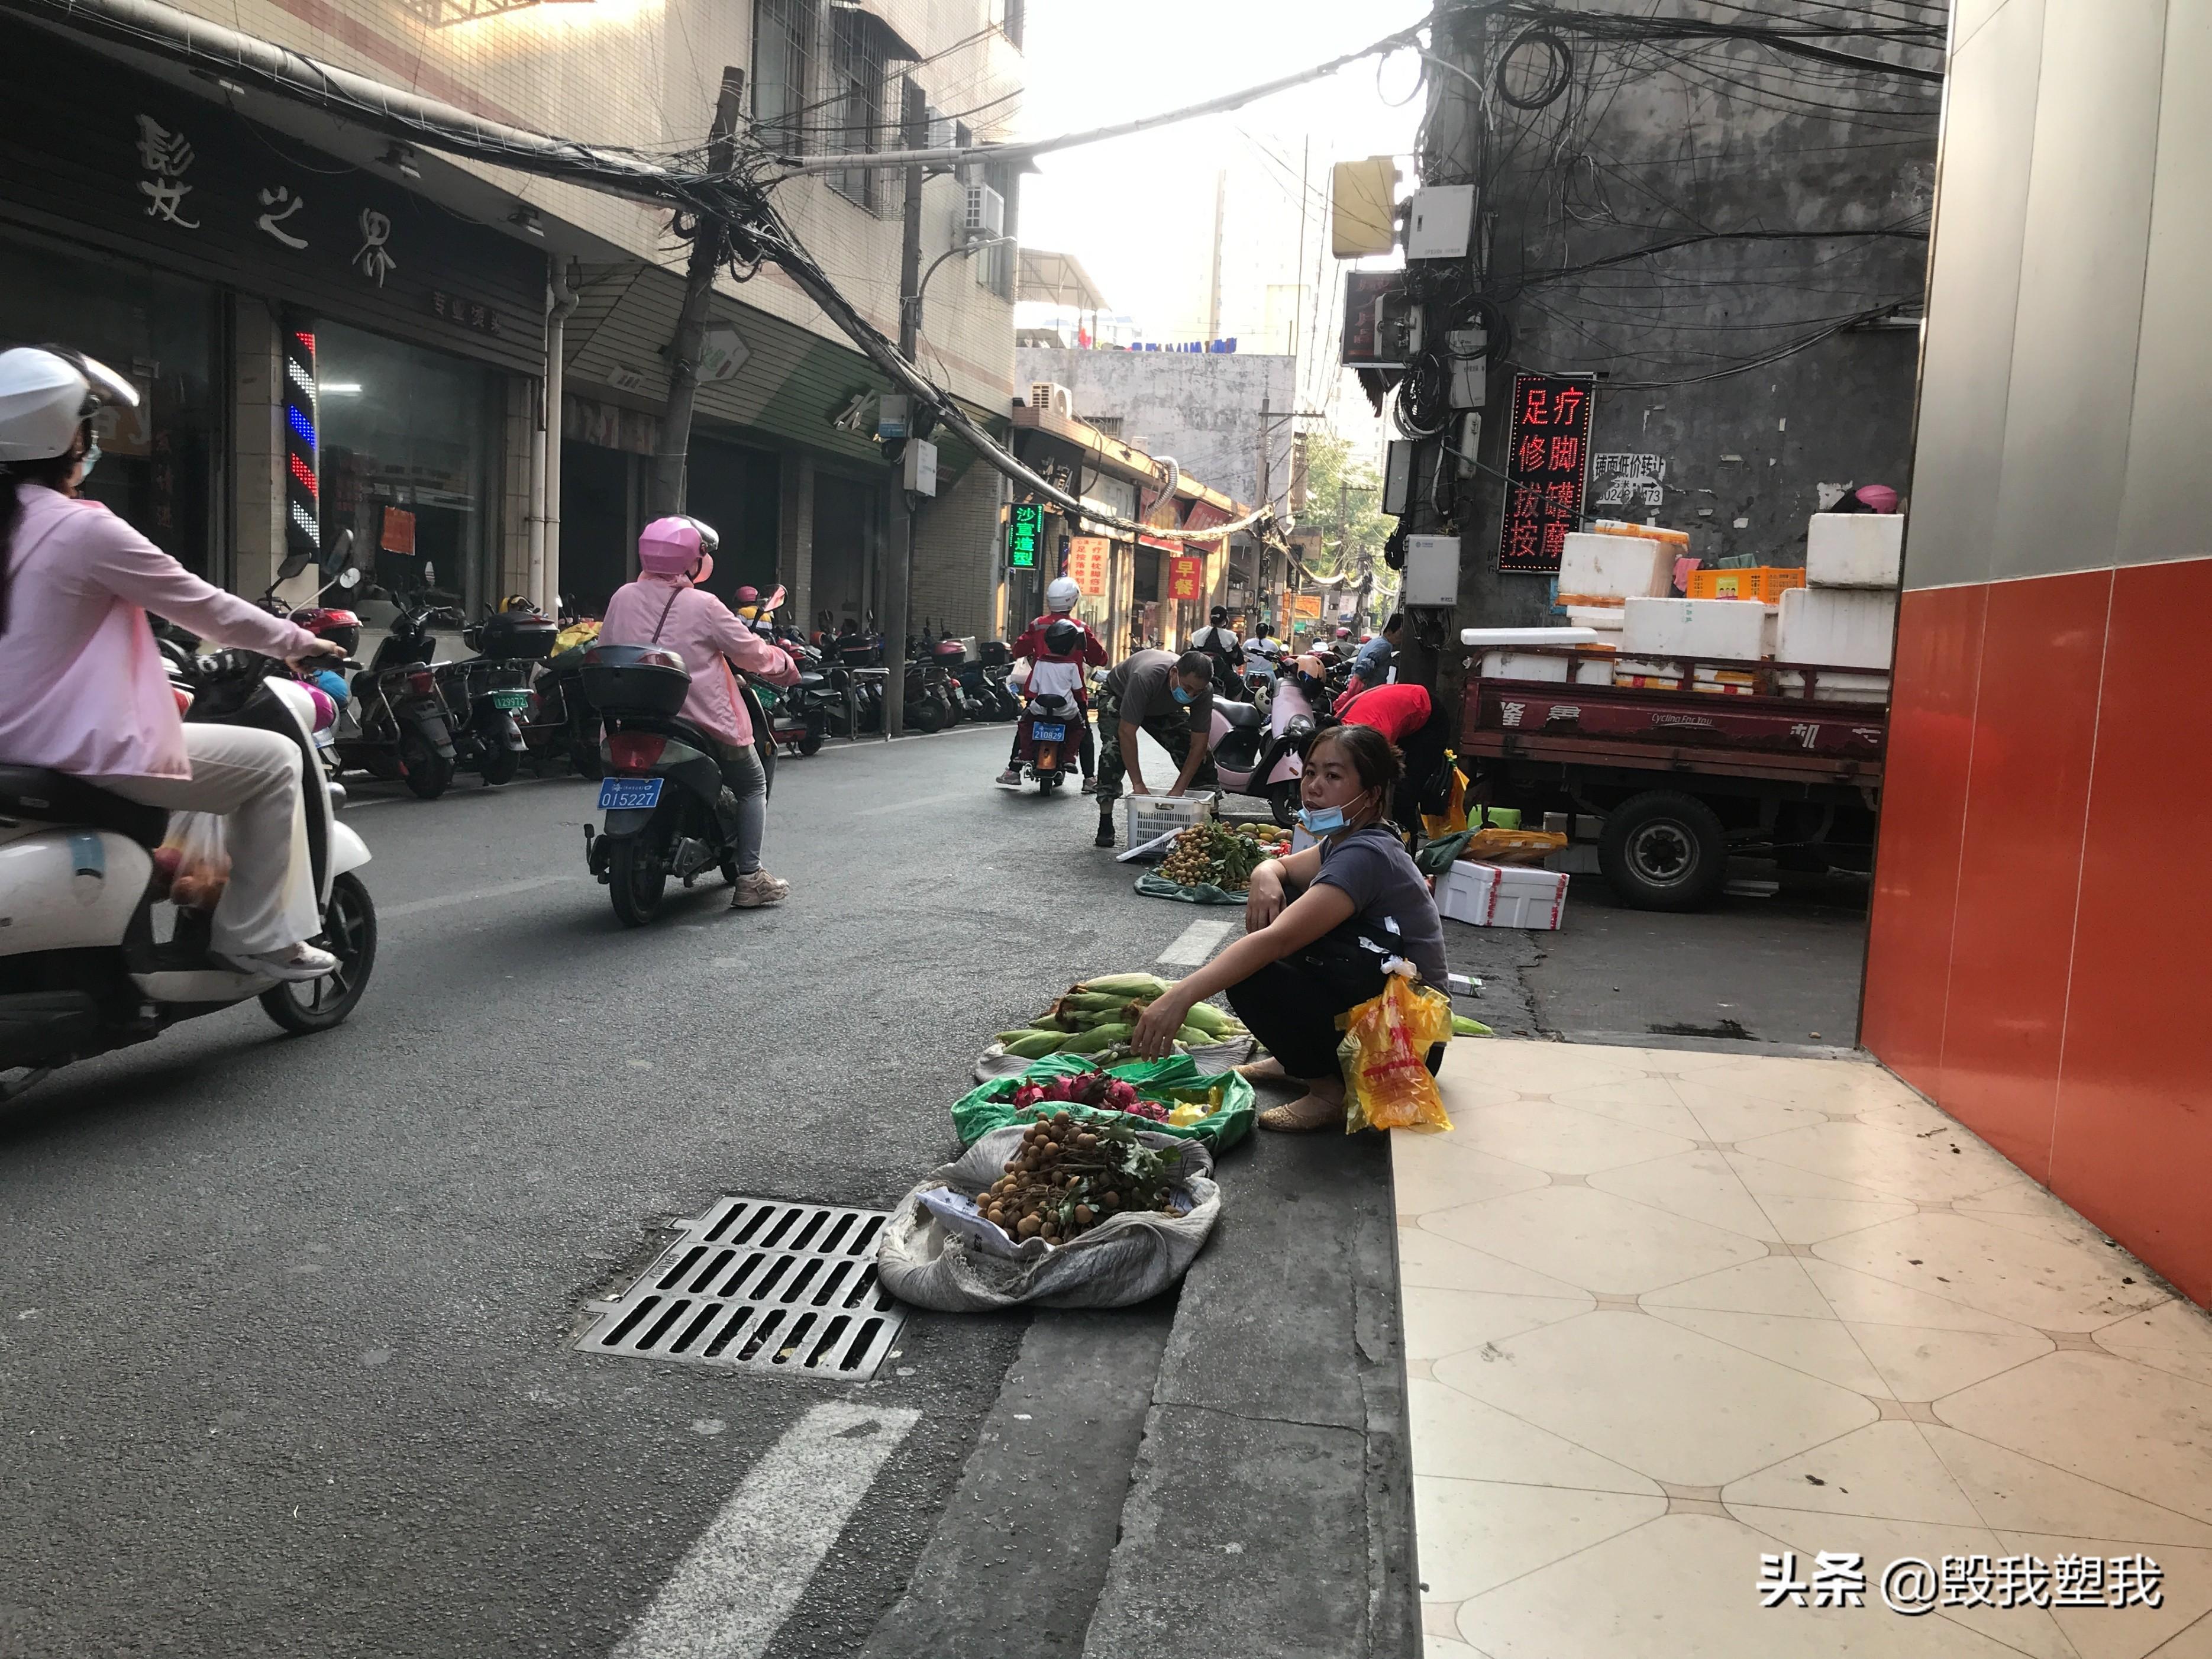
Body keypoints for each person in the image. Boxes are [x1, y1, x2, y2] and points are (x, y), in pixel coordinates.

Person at [0, 345, 348, 981]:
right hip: (67, 749)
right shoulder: (82, 530)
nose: (92, 442)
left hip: (13, 750)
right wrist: (299, 642)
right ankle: (256, 935)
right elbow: (202, 606)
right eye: (89, 428)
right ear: (65, 437)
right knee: (277, 761)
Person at [1128, 724, 1447, 1132]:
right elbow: (1281, 867)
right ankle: (1297, 1059)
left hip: (1404, 1048)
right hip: (1388, 1024)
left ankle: (1329, 1092)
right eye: (1310, 772)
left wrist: (1178, 998)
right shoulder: (1348, 840)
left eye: (1333, 776)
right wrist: (1265, 872)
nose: (1312, 787)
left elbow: (1275, 942)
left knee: (1255, 975)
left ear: (1371, 796)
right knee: (1290, 901)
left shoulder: (1365, 855)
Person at [600, 515, 800, 908]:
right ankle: (750, 878)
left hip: (626, 724)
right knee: (751, 784)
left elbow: (609, 647)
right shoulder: (704, 604)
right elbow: (750, 652)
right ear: (694, 557)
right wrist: (785, 667)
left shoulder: (622, 596)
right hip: (698, 725)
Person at [1092, 647, 1215, 848]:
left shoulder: (1203, 692)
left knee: (1204, 756)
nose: (1191, 695)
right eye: (1187, 688)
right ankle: (1105, 819)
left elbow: (1198, 745)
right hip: (1120, 695)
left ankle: (1211, 819)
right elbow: (1126, 733)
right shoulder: (1145, 677)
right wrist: (1138, 785)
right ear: (1174, 673)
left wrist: (1179, 791)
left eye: (1197, 692)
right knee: (1113, 751)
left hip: (1162, 708)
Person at [1001, 574, 1105, 789]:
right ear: (1073, 600)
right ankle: (1089, 779)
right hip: (1071, 696)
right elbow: (1099, 659)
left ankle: (1013, 770)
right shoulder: (1080, 628)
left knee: (1025, 726)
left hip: (1039, 695)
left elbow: (1018, 650)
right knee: (1084, 730)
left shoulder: (1038, 625)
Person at [1341, 680, 1448, 838]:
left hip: (1429, 719)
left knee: (1404, 795)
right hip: (1398, 713)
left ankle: (1405, 849)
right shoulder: (1337, 729)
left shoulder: (1371, 734)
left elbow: (1376, 785)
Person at [1336, 612, 1401, 713]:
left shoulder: (1375, 641)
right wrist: (1351, 692)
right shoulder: (1386, 646)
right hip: (1366, 693)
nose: (1401, 638)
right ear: (1389, 632)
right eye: (1399, 634)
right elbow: (1366, 665)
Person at [1190, 605, 1245, 692]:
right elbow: (1239, 661)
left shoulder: (1199, 635)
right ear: (1225, 620)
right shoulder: (1230, 637)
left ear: (1210, 618)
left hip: (1200, 673)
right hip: (1223, 674)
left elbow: (1191, 656)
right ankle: (1234, 705)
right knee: (1239, 684)